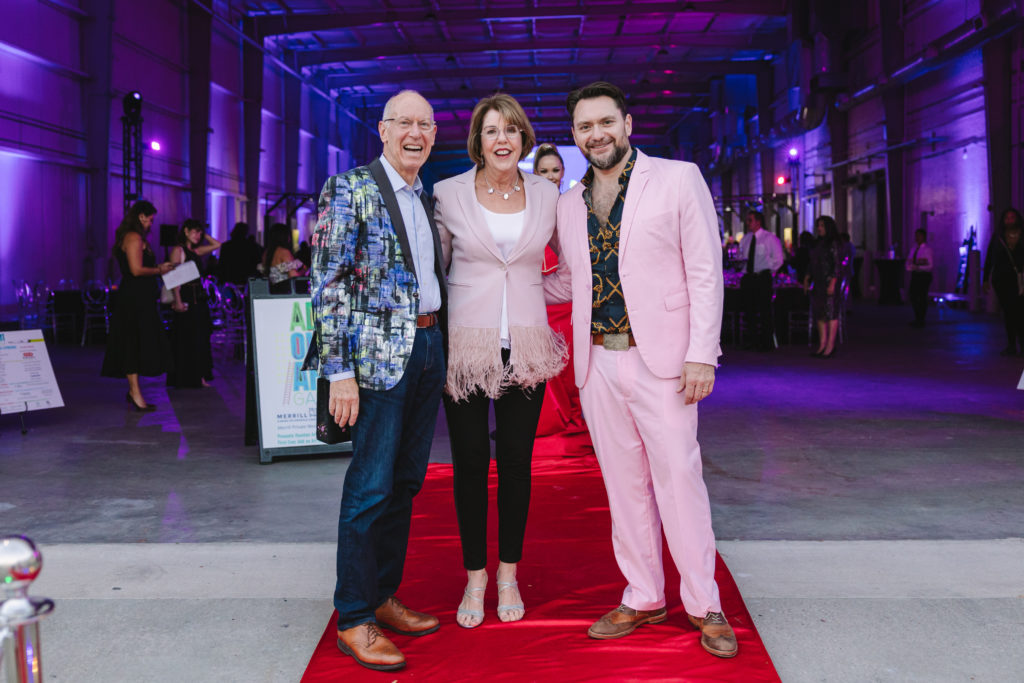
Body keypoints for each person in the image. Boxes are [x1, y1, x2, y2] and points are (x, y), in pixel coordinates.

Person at [547, 81, 737, 658]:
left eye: (605, 122)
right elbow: (570, 283)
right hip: (598, 360)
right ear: (576, 138)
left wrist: (703, 352)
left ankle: (705, 605)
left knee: (679, 480)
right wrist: (503, 280)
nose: (596, 134)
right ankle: (644, 594)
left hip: (665, 362)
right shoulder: (568, 201)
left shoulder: (678, 179)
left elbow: (705, 270)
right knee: (623, 486)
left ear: (627, 123)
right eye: (584, 127)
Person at [303, 89, 447, 673]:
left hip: (428, 346)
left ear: (434, 136)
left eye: (425, 124)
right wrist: (338, 371)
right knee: (368, 489)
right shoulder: (349, 188)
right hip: (374, 363)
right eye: (404, 122)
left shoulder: (424, 197)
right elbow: (328, 283)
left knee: (406, 483)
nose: (416, 132)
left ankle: (384, 596)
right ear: (383, 130)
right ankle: (354, 617)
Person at [433, 94, 564, 629]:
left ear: (524, 137)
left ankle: (508, 572)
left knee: (515, 462)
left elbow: (571, 270)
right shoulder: (448, 193)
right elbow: (436, 275)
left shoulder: (548, 193)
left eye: (511, 129)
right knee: (468, 462)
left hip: (526, 344)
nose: (502, 139)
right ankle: (475, 578)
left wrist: (533, 291)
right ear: (477, 141)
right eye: (491, 131)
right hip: (466, 345)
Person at [533, 144, 588, 448]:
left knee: (572, 370)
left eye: (555, 170)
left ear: (563, 172)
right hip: (541, 307)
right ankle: (550, 427)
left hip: (571, 304)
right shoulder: (528, 206)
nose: (551, 176)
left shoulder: (574, 204)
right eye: (544, 171)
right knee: (547, 374)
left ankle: (579, 423)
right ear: (534, 173)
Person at [101, 200, 174, 411]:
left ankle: (133, 390)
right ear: (141, 216)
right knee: (133, 342)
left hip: (138, 297)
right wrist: (160, 269)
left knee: (136, 341)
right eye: (150, 219)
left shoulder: (134, 237)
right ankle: (135, 392)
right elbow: (135, 270)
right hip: (134, 298)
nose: (152, 223)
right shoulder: (133, 238)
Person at [167, 219, 221, 388]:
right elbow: (174, 278)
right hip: (186, 296)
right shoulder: (178, 250)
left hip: (199, 297)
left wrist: (203, 233)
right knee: (187, 337)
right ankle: (188, 377)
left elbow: (217, 244)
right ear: (185, 231)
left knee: (200, 337)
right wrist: (178, 300)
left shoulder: (195, 251)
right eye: (195, 232)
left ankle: (200, 376)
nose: (198, 236)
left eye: (200, 233)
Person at [738, 210, 784, 350]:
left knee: (765, 310)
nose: (748, 223)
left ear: (758, 221)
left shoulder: (769, 238)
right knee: (749, 310)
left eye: (750, 220)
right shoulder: (745, 239)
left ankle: (766, 342)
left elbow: (779, 259)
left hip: (762, 277)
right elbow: (741, 257)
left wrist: (767, 267)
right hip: (748, 277)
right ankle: (752, 341)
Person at [805, 215, 848, 358]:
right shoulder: (818, 243)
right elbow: (812, 262)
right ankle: (822, 344)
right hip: (818, 281)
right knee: (820, 313)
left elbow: (837, 264)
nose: (819, 228)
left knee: (831, 312)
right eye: (818, 225)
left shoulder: (834, 243)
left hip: (829, 280)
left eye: (822, 226)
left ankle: (830, 345)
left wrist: (834, 282)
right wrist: (807, 277)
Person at [984, 208, 1024, 355]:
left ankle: (1021, 343)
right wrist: (986, 278)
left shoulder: (1022, 235)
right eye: (1007, 217)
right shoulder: (998, 237)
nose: (1009, 220)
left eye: (1012, 217)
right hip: (1002, 280)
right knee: (1008, 312)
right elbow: (990, 257)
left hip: (1019, 279)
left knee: (1019, 312)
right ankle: (1012, 345)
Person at [262, 223, 306, 293]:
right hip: (284, 292)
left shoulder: (266, 253)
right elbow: (293, 275)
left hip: (270, 291)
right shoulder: (284, 252)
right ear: (284, 236)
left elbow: (273, 274)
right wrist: (304, 271)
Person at [217, 222, 261, 286]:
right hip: (247, 281)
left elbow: (222, 265)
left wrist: (221, 281)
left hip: (230, 281)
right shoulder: (252, 246)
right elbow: (257, 263)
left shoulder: (226, 246)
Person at [906, 228, 934, 328]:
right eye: (916, 236)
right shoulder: (914, 249)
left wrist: (918, 267)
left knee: (922, 297)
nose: (917, 238)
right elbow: (909, 260)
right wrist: (910, 267)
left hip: (924, 275)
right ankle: (918, 317)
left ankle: (921, 319)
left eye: (919, 235)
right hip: (916, 275)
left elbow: (930, 266)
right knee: (913, 295)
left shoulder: (927, 250)